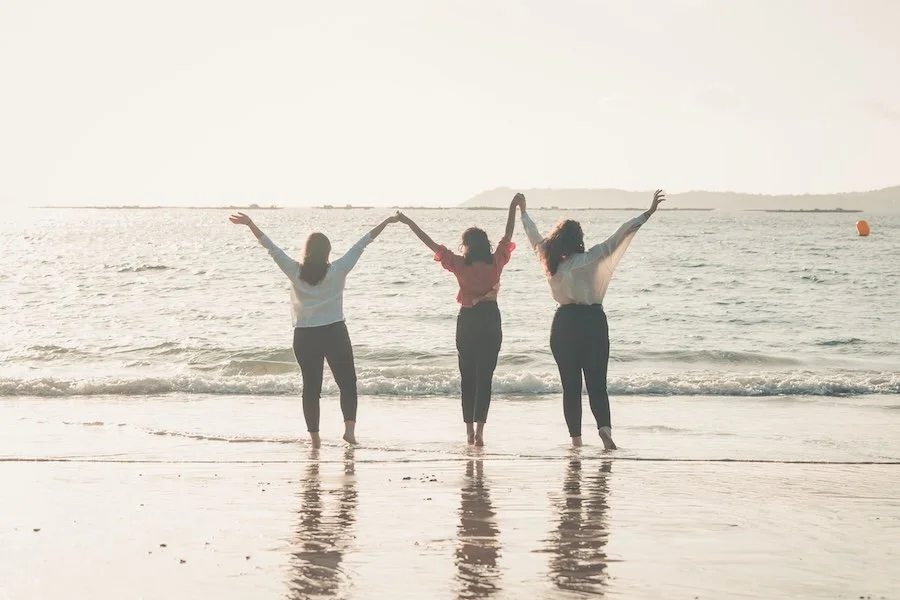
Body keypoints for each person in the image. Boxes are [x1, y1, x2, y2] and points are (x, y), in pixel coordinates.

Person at [229, 211, 399, 448]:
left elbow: (271, 248)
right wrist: (388, 221)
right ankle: (349, 431)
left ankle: (315, 439)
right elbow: (363, 243)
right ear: (328, 251)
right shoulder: (339, 269)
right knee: (347, 384)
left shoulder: (294, 270)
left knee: (311, 389)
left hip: (305, 336)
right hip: (334, 333)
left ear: (306, 251)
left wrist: (250, 224)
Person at [518, 190, 666, 449]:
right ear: (579, 240)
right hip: (593, 323)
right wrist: (648, 213)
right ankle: (605, 429)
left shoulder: (551, 263)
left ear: (558, 240)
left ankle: (576, 441)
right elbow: (621, 235)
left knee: (570, 387)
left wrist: (523, 212)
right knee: (598, 384)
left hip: (564, 325)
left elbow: (533, 236)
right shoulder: (594, 257)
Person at [396, 194, 522, 446]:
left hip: (467, 322)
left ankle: (467, 432)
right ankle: (481, 432)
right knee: (485, 377)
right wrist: (512, 207)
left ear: (466, 245)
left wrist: (409, 222)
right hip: (490, 320)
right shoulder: (495, 261)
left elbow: (429, 243)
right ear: (484, 244)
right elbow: (508, 234)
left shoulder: (459, 264)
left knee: (468, 377)